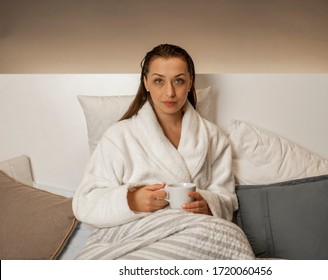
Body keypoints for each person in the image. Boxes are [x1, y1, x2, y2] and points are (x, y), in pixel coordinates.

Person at [72, 44, 254, 259]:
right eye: (159, 80)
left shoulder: (213, 137)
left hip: (197, 233)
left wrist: (208, 204)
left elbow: (226, 198)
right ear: (146, 83)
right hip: (133, 235)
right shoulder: (119, 136)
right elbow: (85, 201)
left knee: (230, 235)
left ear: (190, 83)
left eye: (179, 80)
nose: (170, 92)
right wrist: (131, 201)